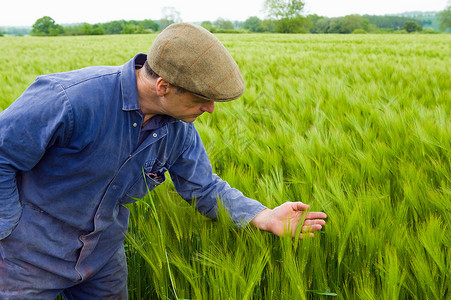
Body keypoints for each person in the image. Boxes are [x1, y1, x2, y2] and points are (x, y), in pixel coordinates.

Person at [0, 23, 327, 299]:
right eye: (203, 99)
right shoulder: (68, 99)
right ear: (163, 86)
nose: (211, 109)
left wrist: (264, 216)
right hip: (26, 258)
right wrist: (7, 229)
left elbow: (204, 186)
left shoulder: (179, 131)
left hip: (102, 257)